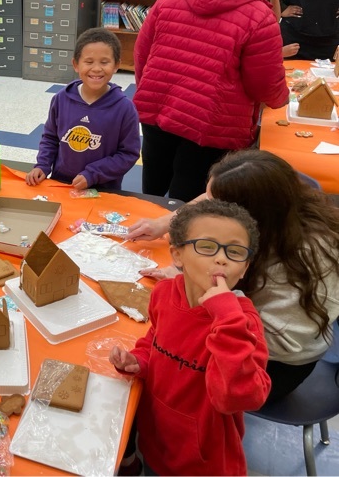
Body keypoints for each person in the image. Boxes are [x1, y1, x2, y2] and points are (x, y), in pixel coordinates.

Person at [126, 150, 339, 401]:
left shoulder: (300, 257)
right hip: (246, 326)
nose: (205, 204)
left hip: (272, 362)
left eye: (216, 204)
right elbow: (207, 199)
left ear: (248, 217)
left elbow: (256, 340)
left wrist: (194, 282)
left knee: (162, 360)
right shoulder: (280, 209)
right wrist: (164, 223)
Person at [110, 198, 270, 476]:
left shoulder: (242, 323)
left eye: (234, 252)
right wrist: (140, 361)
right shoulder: (163, 293)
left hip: (204, 460)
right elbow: (155, 340)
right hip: (157, 436)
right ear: (177, 255)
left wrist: (228, 319)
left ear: (244, 267)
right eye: (207, 247)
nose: (221, 258)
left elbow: (237, 397)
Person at [133, 0, 289, 202]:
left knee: (152, 193)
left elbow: (142, 53)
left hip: (159, 109)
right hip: (212, 123)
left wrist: (153, 89)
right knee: (191, 202)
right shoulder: (259, 16)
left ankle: (144, 239)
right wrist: (281, 99)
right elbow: (264, 85)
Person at [25, 28, 140, 191]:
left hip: (103, 190)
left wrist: (93, 174)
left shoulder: (125, 108)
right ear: (76, 65)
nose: (97, 68)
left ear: (116, 66)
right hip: (62, 184)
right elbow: (50, 137)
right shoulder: (61, 99)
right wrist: (42, 165)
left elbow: (128, 154)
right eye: (89, 61)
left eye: (104, 62)